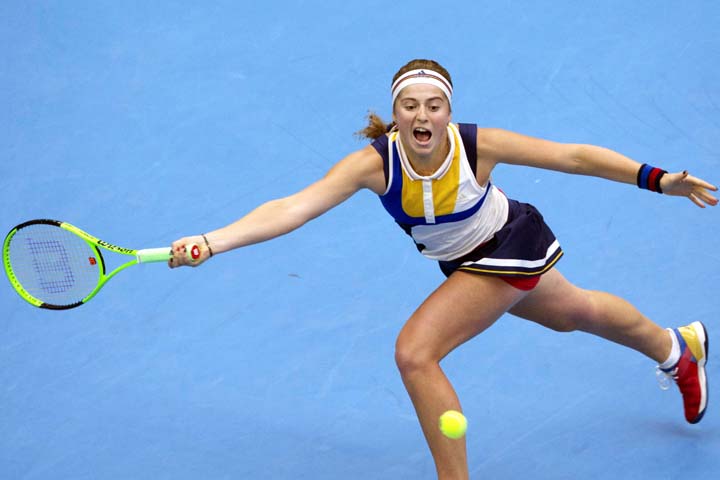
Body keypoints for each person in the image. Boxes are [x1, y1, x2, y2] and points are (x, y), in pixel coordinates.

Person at [169, 59, 717, 479]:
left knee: (415, 353)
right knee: (576, 312)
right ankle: (677, 349)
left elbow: (572, 157)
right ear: (397, 112)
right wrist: (211, 242)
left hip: (507, 245)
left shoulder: (477, 145)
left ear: (448, 111)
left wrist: (658, 178)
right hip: (468, 260)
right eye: (410, 105)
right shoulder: (374, 165)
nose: (422, 115)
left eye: (434, 105)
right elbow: (293, 207)